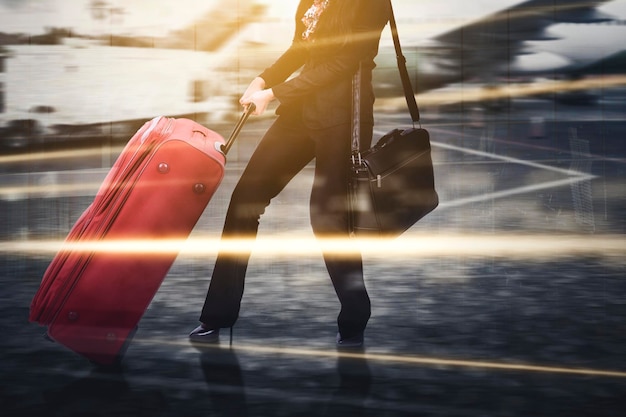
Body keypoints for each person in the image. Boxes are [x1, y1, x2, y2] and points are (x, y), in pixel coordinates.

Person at [189, 0, 391, 348]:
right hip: (302, 111)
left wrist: (275, 93)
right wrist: (261, 80)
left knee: (328, 218)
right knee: (244, 201)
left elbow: (343, 63)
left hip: (344, 118)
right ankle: (216, 316)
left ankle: (355, 317)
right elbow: (302, 48)